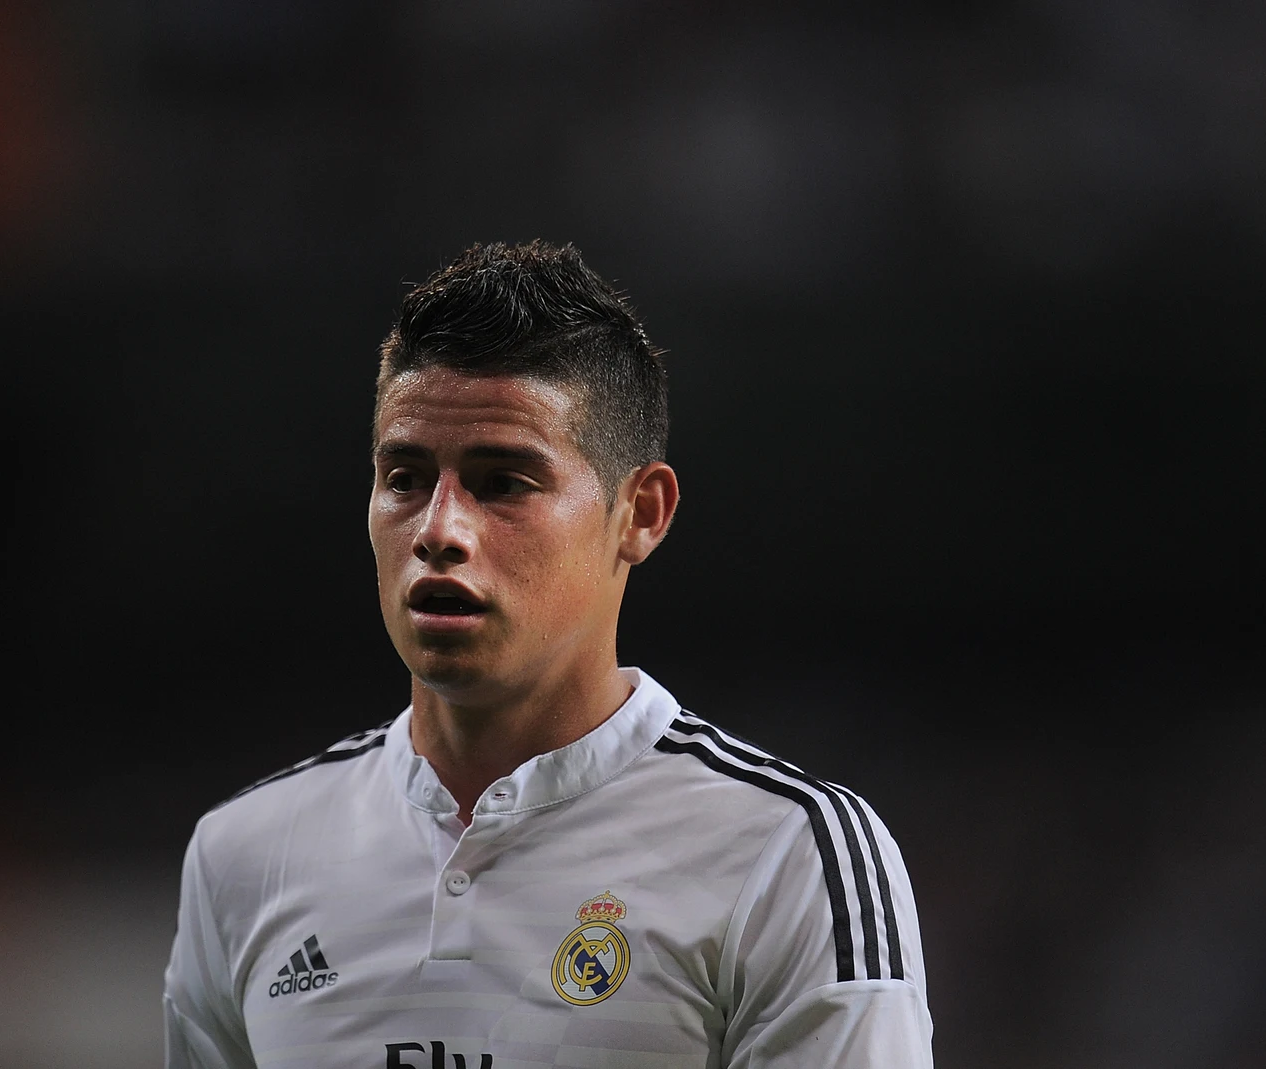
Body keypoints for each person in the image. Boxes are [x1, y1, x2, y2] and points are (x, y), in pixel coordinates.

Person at [164, 241, 932, 1068]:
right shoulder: (245, 856)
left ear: (640, 512)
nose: (439, 530)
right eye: (405, 478)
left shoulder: (787, 855)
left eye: (504, 482)